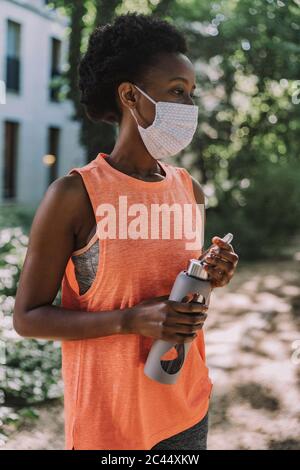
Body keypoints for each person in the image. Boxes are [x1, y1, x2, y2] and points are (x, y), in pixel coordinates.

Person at [13, 13, 238, 450]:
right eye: (176, 91)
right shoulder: (75, 195)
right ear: (130, 96)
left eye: (191, 94)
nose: (188, 107)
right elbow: (27, 317)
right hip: (112, 425)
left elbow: (175, 283)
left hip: (187, 409)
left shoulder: (189, 190)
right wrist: (130, 320)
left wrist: (211, 275)